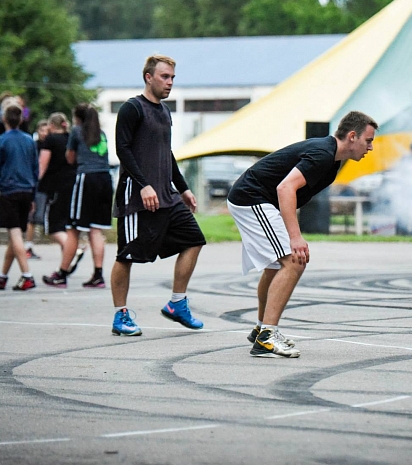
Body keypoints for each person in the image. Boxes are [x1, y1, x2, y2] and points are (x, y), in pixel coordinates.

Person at [228, 111, 378, 358]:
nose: (370, 147)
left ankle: (261, 329)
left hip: (255, 199)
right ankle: (267, 336)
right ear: (353, 136)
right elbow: (286, 188)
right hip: (251, 198)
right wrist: (295, 237)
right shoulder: (322, 154)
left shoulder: (331, 162)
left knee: (278, 265)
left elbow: (290, 192)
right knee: (295, 261)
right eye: (368, 140)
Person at [105, 54, 205, 337]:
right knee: (127, 256)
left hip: (167, 196)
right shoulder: (132, 109)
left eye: (172, 77)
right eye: (165, 76)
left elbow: (167, 153)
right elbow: (123, 149)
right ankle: (120, 316)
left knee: (194, 240)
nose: (170, 82)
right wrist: (143, 184)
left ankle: (177, 303)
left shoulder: (164, 111)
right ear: (148, 77)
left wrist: (183, 187)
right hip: (136, 198)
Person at [43, 104, 111, 289]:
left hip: (86, 179)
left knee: (73, 228)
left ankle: (62, 274)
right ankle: (98, 275)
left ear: (78, 118)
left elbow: (70, 158)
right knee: (96, 230)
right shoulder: (101, 134)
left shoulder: (77, 131)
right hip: (105, 180)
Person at [0, 103, 39, 291]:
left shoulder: (0, 141)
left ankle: (27, 275)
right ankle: (3, 276)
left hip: (9, 191)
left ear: (4, 119)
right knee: (14, 235)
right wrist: (33, 195)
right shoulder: (29, 140)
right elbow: (35, 170)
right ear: (21, 119)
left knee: (15, 233)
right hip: (27, 191)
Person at [25, 120, 50, 260]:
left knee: (40, 217)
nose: (44, 133)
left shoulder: (51, 145)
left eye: (46, 130)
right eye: (41, 130)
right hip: (37, 186)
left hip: (48, 186)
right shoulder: (34, 146)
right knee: (33, 217)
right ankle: (28, 246)